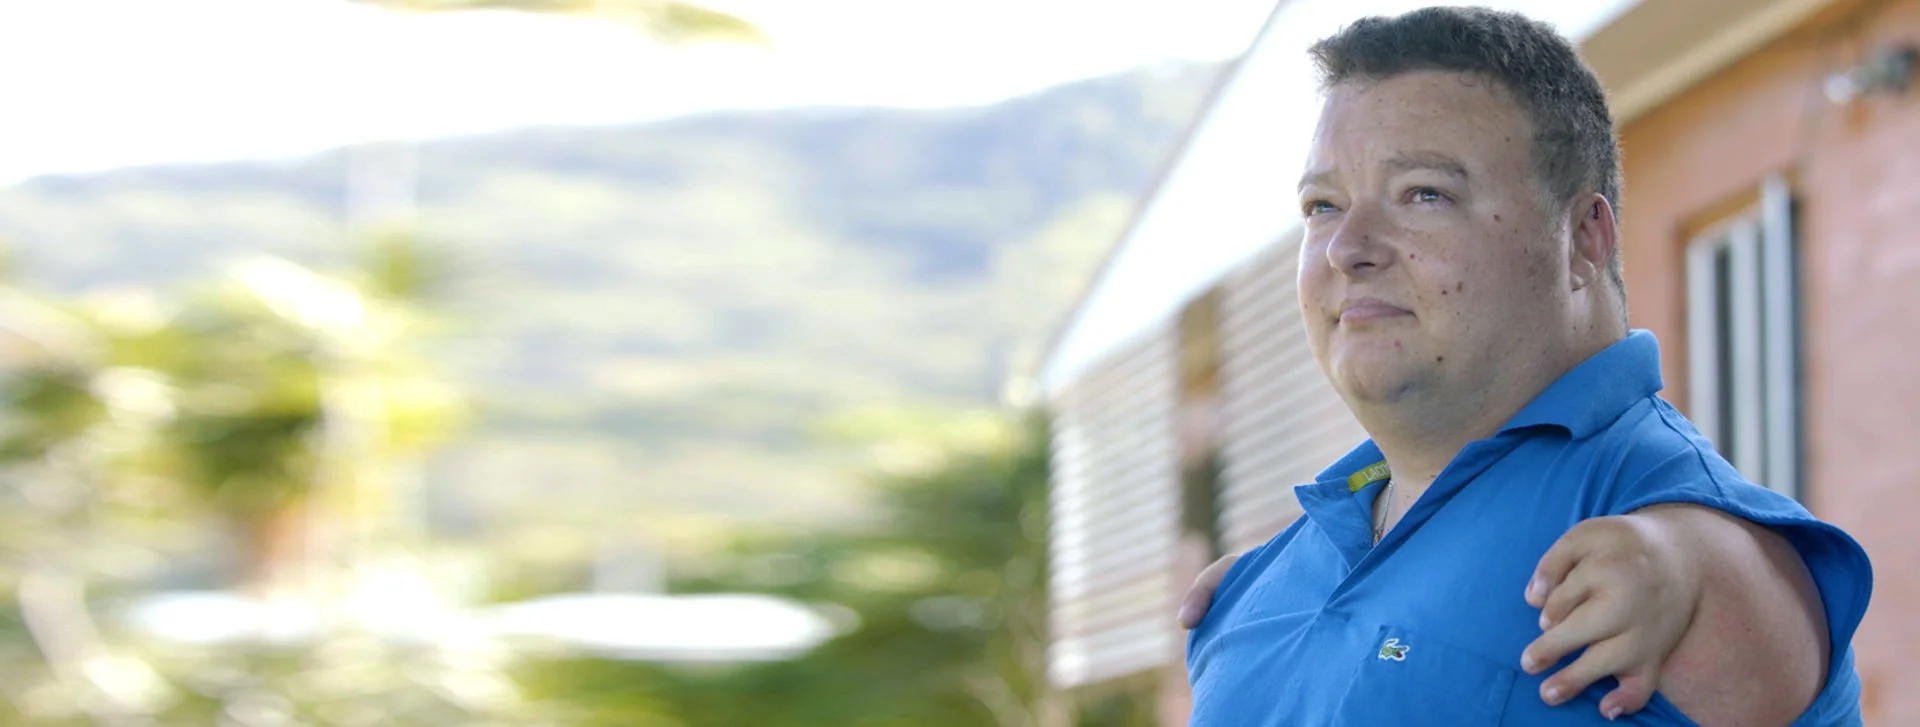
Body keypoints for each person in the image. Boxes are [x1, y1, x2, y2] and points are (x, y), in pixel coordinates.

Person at [1179, 7, 1871, 726]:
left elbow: (1713, 567)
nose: (1346, 247)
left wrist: (1679, 566)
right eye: (1322, 206)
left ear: (1582, 240)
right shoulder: (1263, 583)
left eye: (1424, 193)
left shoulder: (1667, 548)